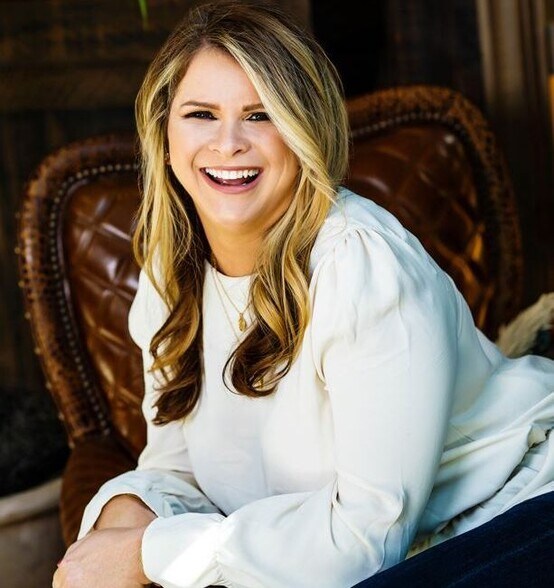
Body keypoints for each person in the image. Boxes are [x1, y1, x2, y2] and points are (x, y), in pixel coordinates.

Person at [52, 1, 554, 587]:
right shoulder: (169, 269)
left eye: (261, 115)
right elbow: (180, 468)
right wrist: (123, 521)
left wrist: (149, 553)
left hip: (514, 512)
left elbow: (367, 542)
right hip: (387, 549)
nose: (228, 143)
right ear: (164, 136)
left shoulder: (361, 264)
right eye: (201, 114)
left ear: (303, 132)